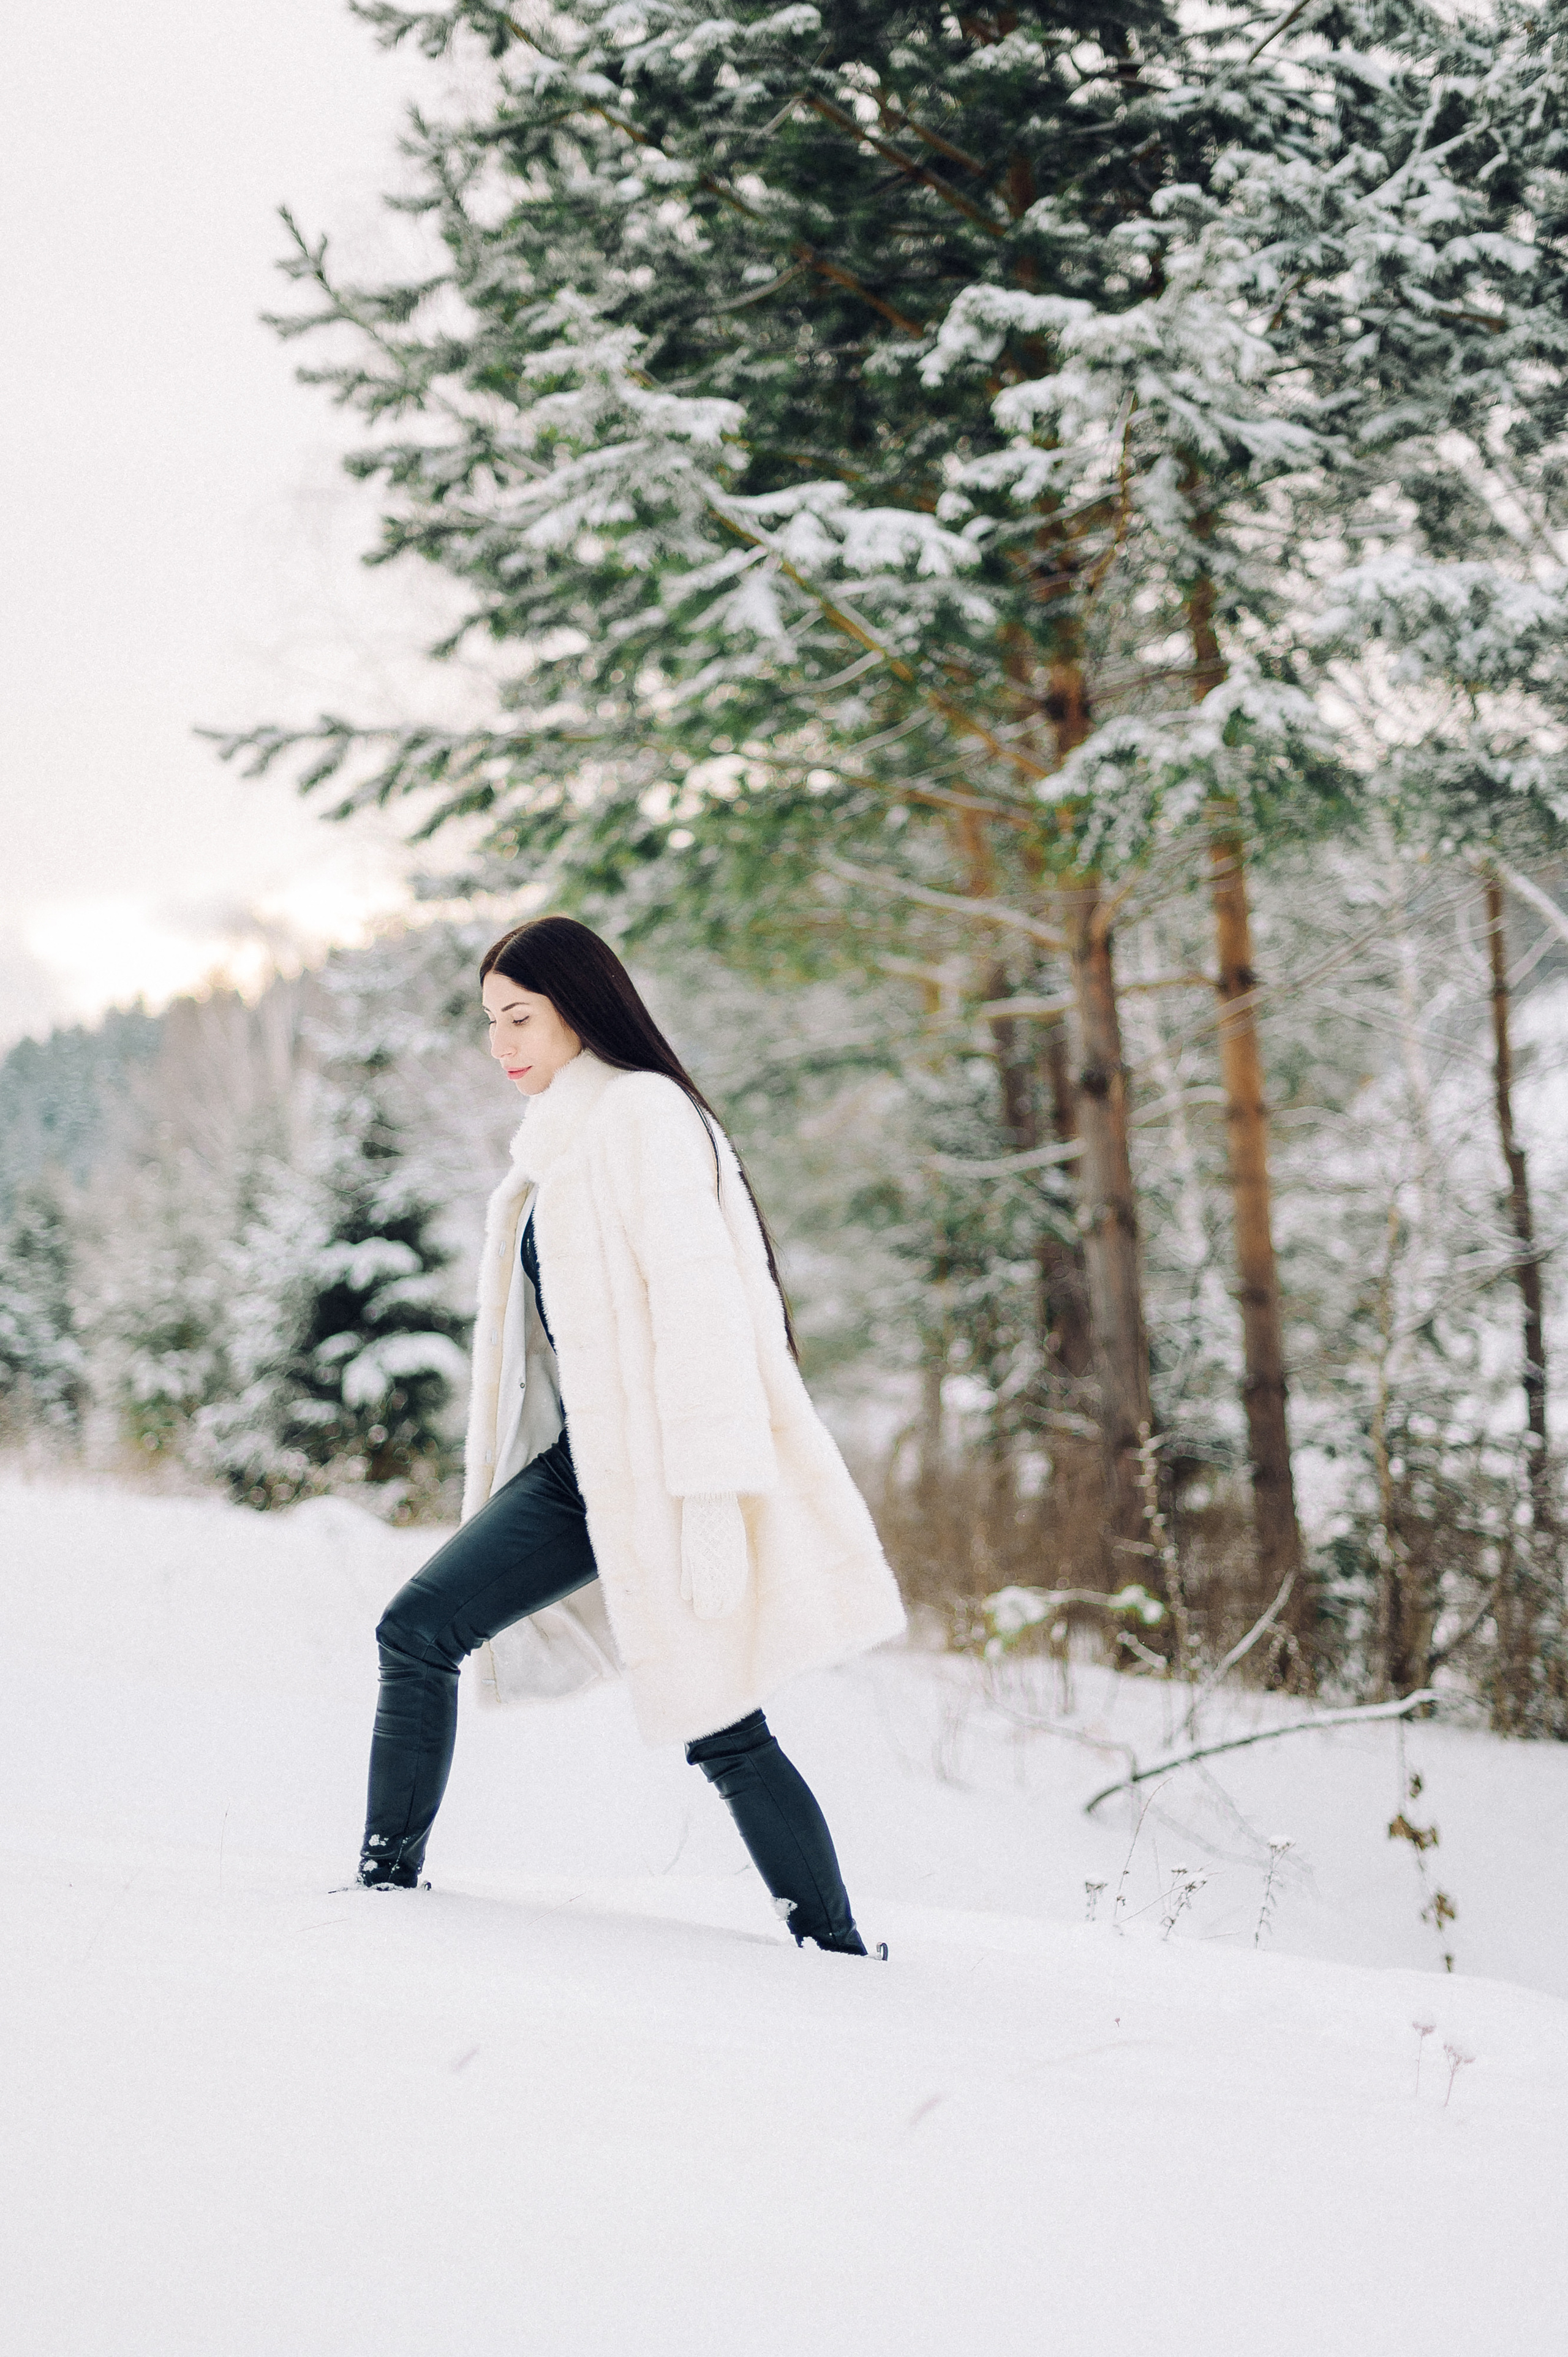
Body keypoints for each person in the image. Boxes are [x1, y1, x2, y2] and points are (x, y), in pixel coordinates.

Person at [353, 916, 907, 1955]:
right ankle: (386, 1887)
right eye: (489, 1022)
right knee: (433, 1636)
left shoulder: (642, 1117)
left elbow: (705, 1318)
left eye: (519, 1016)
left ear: (580, 1006)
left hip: (655, 1470)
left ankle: (835, 1951)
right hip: (592, 1467)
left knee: (719, 1719)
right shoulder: (563, 1136)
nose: (501, 1042)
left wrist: (705, 1501)